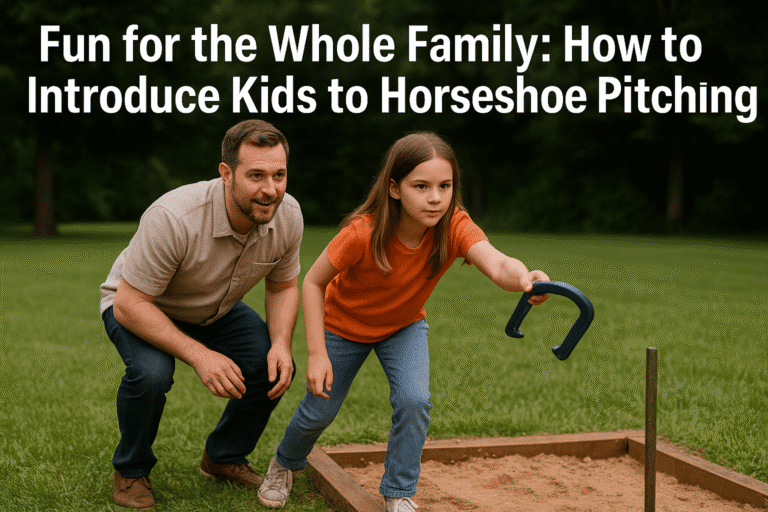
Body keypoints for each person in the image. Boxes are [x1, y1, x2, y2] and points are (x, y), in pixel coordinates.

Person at [257, 132, 549, 511]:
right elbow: (312, 282)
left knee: (415, 400)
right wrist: (316, 353)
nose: (435, 197)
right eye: (421, 186)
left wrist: (526, 278)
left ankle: (398, 492)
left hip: (403, 326)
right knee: (319, 410)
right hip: (343, 327)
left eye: (445, 186)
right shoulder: (362, 232)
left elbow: (496, 263)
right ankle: (284, 463)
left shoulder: (454, 225)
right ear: (394, 188)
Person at [99, 119, 303, 510]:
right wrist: (199, 355)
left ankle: (224, 456)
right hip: (142, 304)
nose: (271, 189)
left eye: (279, 175)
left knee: (272, 364)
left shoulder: (288, 215)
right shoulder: (174, 217)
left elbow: (282, 285)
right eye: (256, 175)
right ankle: (131, 469)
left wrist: (280, 343)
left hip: (215, 308)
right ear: (226, 174)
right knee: (152, 374)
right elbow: (129, 304)